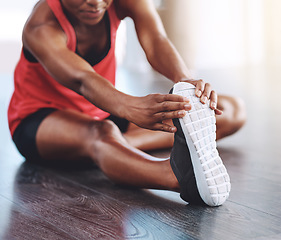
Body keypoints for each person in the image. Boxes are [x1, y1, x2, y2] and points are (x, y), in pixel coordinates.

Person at [7, 0, 246, 206]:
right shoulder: (41, 27)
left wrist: (186, 81)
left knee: (231, 110)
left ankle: (116, 151)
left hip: (101, 108)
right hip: (39, 121)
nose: (95, 2)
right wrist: (130, 106)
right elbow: (83, 80)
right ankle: (179, 177)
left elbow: (155, 39)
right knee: (101, 132)